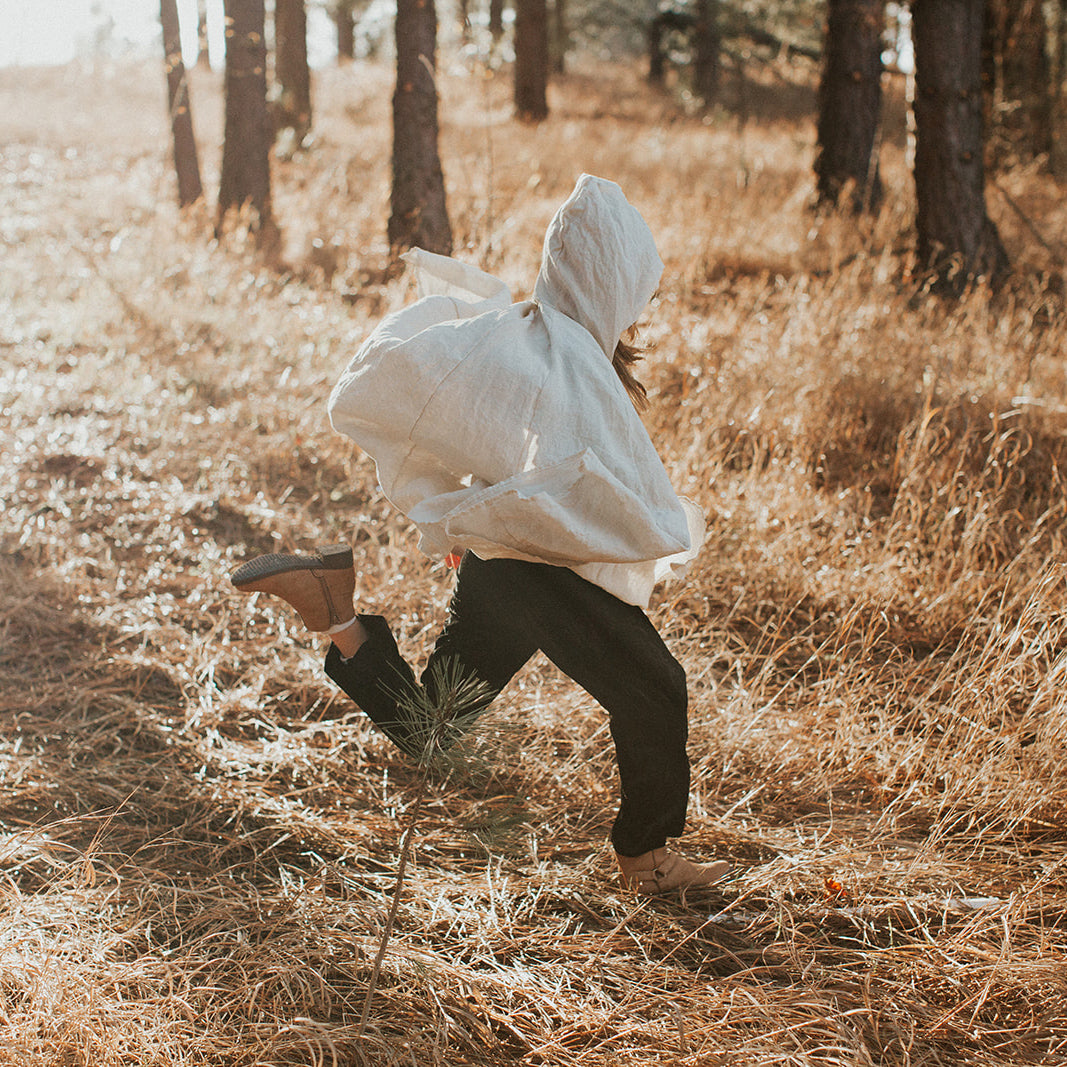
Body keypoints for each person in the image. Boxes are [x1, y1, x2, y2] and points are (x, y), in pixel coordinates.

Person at [231, 175, 730, 895]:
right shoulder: (571, 361)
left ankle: (335, 611)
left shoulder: (526, 341)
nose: (638, 311)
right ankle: (645, 862)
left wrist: (478, 512)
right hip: (542, 571)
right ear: (610, 280)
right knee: (654, 689)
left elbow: (491, 425)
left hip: (502, 564)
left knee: (433, 724)